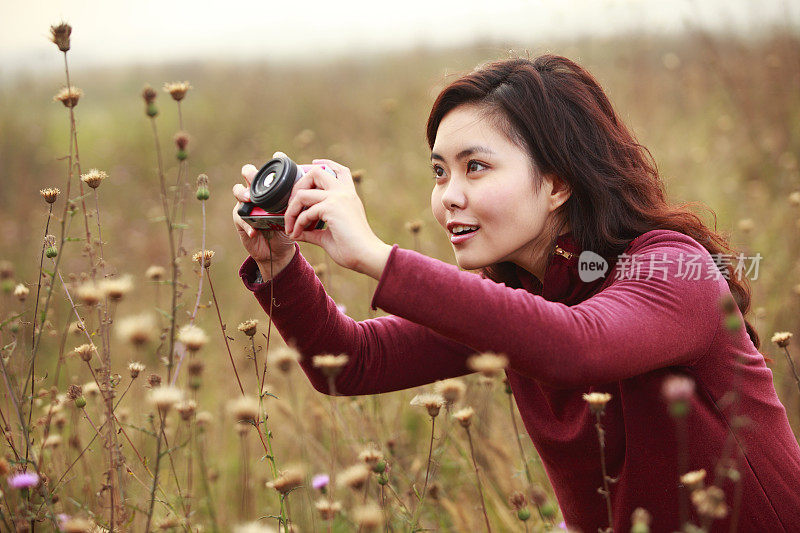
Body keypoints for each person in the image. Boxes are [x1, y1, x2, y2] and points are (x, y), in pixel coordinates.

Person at [232, 55, 800, 532]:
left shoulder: (673, 268)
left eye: (475, 167)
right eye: (439, 171)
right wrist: (281, 265)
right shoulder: (519, 295)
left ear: (556, 183)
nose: (448, 196)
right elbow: (354, 361)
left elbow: (578, 346)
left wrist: (376, 257)